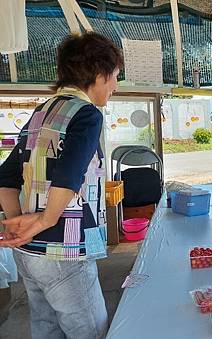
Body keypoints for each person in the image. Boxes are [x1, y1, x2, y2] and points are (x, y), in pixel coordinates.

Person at [0, 32, 123, 339]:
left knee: (46, 325)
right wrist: (44, 220)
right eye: (114, 77)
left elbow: (5, 176)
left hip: (28, 252)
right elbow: (69, 174)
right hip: (62, 252)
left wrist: (18, 223)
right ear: (98, 74)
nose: (115, 87)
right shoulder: (86, 114)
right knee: (89, 330)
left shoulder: (41, 113)